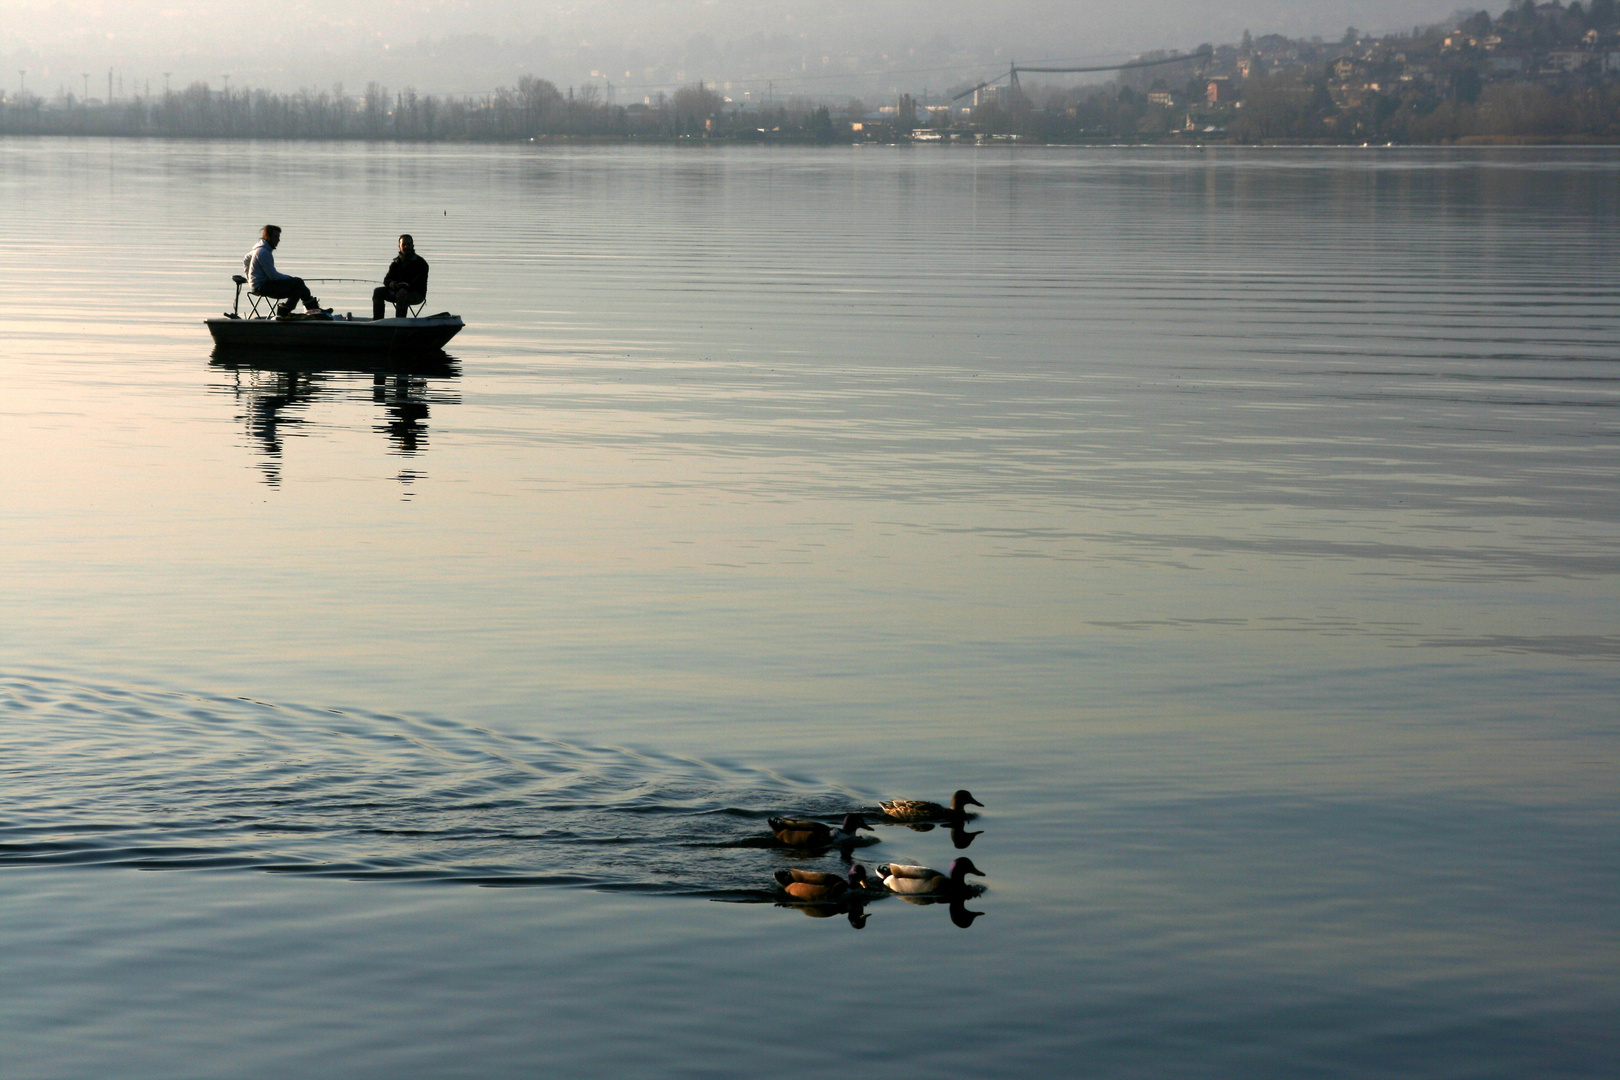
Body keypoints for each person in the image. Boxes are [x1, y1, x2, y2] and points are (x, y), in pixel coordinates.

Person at [244, 225, 327, 316]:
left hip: (259, 286)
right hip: (262, 287)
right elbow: (273, 276)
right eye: (276, 237)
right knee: (298, 282)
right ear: (268, 237)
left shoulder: (260, 249)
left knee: (297, 289)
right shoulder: (263, 252)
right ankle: (312, 309)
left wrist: (249, 280)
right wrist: (290, 279)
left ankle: (287, 310)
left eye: (278, 237)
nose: (278, 240)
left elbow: (247, 259)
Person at [373, 234, 429, 320]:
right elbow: (386, 280)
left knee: (402, 295)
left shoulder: (421, 263)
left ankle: (400, 322)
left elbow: (419, 283)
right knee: (377, 292)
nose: (406, 246)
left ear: (412, 246)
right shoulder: (395, 263)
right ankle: (377, 321)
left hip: (416, 294)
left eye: (408, 244)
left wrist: (405, 288)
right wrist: (392, 284)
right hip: (396, 291)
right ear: (399, 246)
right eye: (404, 244)